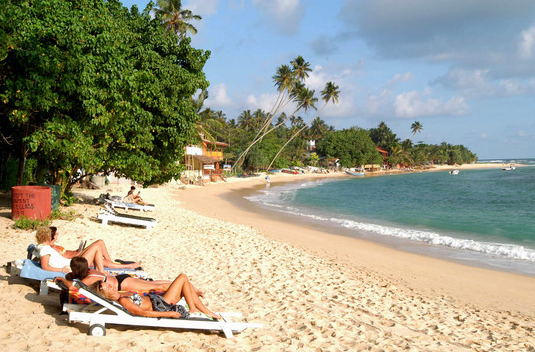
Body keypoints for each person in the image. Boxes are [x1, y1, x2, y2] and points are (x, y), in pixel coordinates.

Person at [93, 272, 221, 320]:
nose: (110, 286)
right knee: (182, 278)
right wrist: (168, 314)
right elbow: (142, 313)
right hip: (161, 306)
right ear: (106, 294)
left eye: (108, 284)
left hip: (159, 300)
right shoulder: (123, 300)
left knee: (185, 284)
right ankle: (198, 310)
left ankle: (199, 309)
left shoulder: (122, 294)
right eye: (107, 288)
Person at [34, 227, 141, 273]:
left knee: (98, 246)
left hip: (74, 263)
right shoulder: (45, 250)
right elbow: (45, 267)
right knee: (97, 246)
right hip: (75, 266)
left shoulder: (44, 248)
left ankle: (101, 272)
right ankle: (102, 272)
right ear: (48, 237)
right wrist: (61, 270)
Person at [55, 257, 172, 292]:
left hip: (123, 284)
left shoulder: (90, 278)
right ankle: (175, 284)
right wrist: (68, 277)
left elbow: (71, 286)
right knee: (151, 283)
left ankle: (178, 286)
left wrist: (61, 278)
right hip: (120, 279)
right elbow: (70, 277)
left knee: (154, 287)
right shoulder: (88, 272)